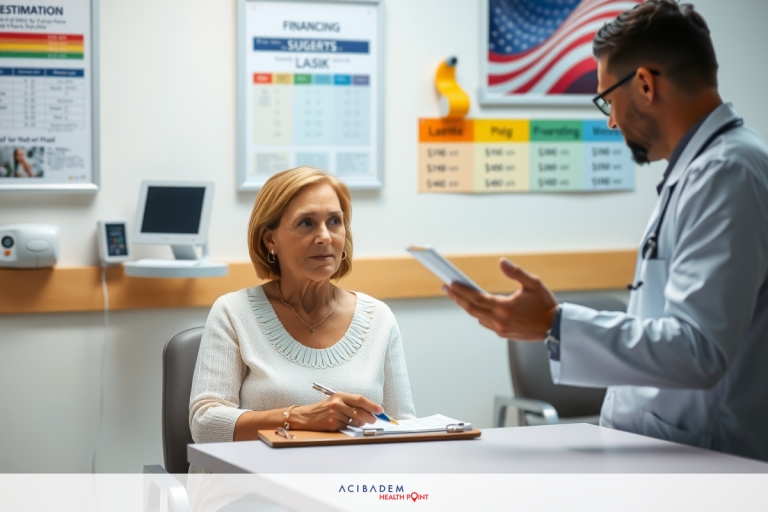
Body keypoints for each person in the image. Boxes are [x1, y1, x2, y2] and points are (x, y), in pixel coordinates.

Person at [444, 0, 768, 461]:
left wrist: (555, 324)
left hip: (709, 459)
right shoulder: (700, 170)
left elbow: (699, 349)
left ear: (644, 84)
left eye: (607, 100)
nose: (612, 120)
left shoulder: (728, 172)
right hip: (664, 450)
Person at [189, 167, 416, 471]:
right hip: (252, 492)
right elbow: (205, 425)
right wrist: (301, 417)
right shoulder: (233, 312)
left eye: (334, 221)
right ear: (270, 240)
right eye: (306, 223)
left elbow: (403, 425)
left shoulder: (379, 318)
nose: (325, 236)